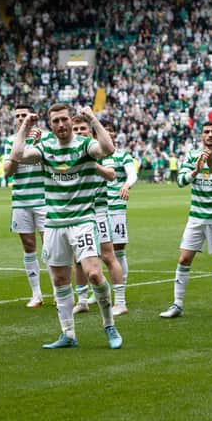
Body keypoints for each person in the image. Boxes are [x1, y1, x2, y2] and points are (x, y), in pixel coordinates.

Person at [9, 103, 123, 349]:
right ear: (50, 125)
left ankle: (109, 325)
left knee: (93, 273)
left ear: (71, 120)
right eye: (55, 121)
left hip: (83, 221)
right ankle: (68, 334)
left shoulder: (84, 146)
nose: (60, 125)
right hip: (55, 224)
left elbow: (108, 148)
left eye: (63, 120)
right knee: (60, 280)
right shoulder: (46, 147)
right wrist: (24, 127)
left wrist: (92, 118)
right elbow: (17, 156)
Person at [159, 122, 212, 319]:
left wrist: (211, 166)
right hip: (196, 218)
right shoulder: (193, 155)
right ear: (201, 136)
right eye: (206, 132)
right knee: (184, 259)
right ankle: (177, 304)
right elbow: (180, 182)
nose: (210, 135)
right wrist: (195, 171)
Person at [69, 115, 125, 317]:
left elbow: (112, 175)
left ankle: (120, 301)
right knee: (77, 259)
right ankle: (82, 300)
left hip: (98, 211)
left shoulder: (97, 150)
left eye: (82, 128)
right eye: (75, 129)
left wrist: (91, 165)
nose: (79, 132)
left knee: (108, 255)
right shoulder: (69, 152)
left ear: (90, 131)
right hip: (77, 212)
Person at [3, 104, 48, 308]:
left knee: (52, 247)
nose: (22, 118)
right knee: (28, 246)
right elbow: (8, 171)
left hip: (45, 199)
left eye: (25, 115)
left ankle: (60, 291)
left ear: (34, 117)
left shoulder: (47, 138)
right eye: (18, 115)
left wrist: (37, 147)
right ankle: (36, 294)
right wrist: (22, 148)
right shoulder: (10, 141)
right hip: (21, 200)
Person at [103, 121, 137, 315]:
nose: (108, 135)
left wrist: (126, 185)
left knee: (118, 251)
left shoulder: (122, 155)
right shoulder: (95, 155)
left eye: (110, 132)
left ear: (114, 135)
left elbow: (132, 174)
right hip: (96, 208)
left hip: (116, 208)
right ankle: (96, 291)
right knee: (98, 253)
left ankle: (120, 297)